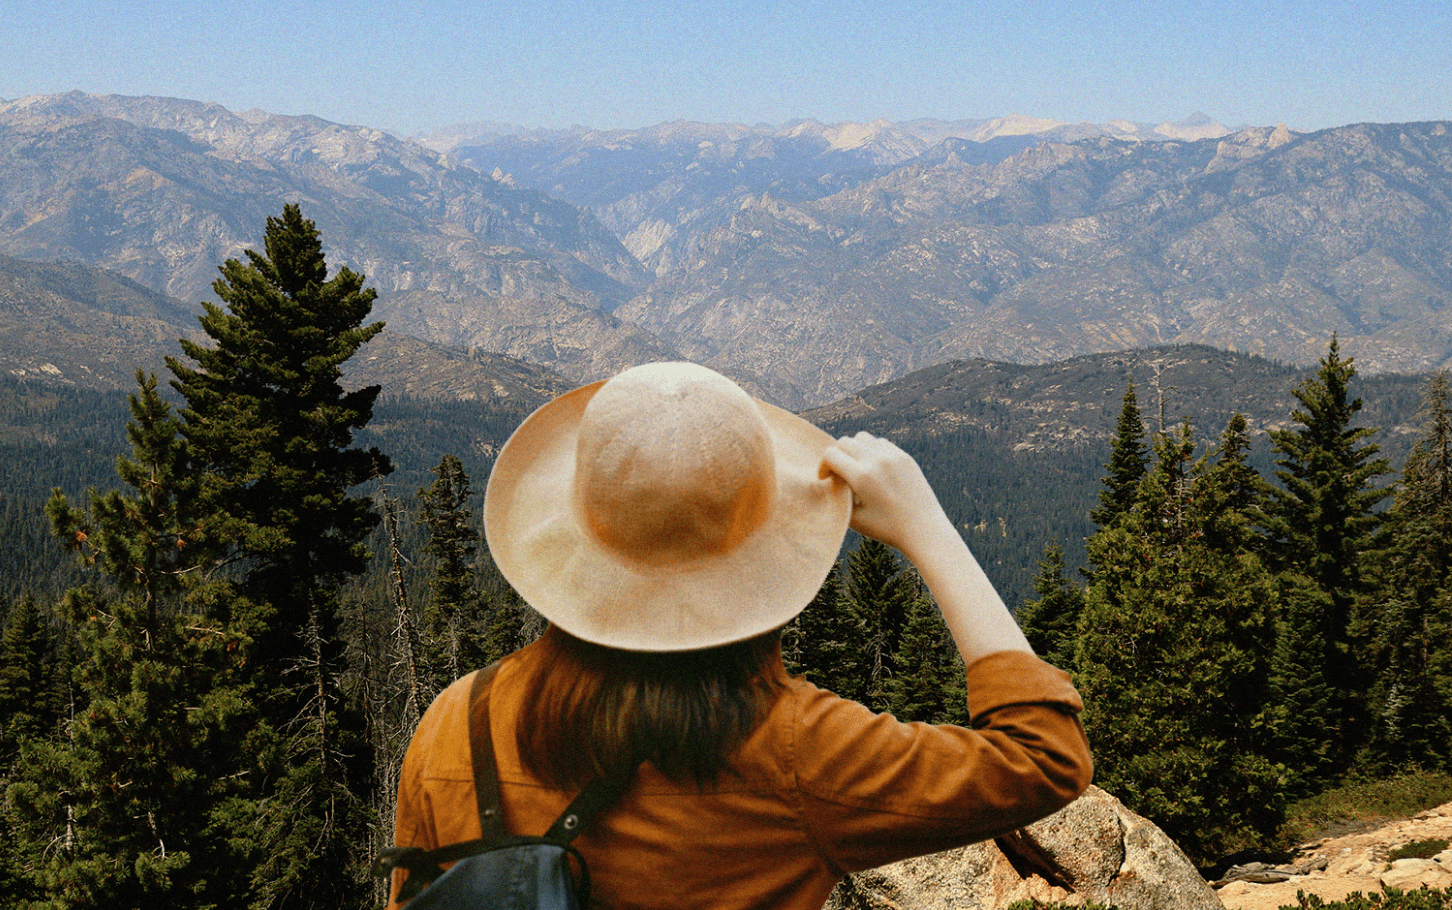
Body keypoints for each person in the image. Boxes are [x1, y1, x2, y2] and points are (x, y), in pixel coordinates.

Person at [387, 361, 1091, 909]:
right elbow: (1046, 755)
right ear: (763, 554)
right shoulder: (797, 755)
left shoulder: (458, 720)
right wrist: (927, 529)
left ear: (576, 538)